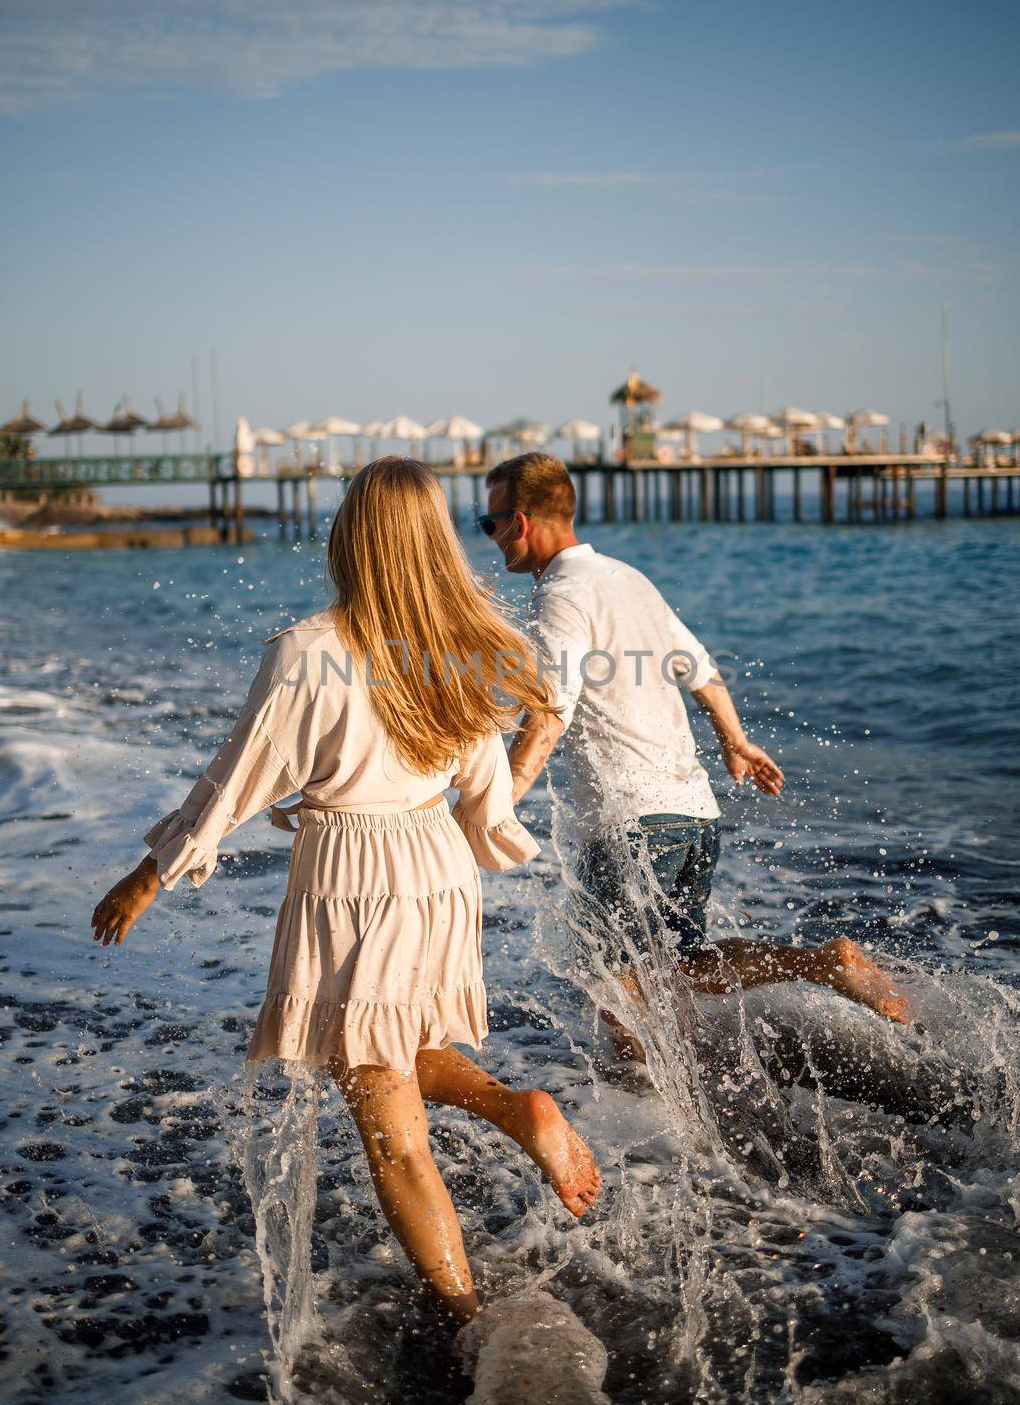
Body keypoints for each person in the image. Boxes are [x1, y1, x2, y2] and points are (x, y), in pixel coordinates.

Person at [90, 457, 600, 1325]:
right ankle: (513, 1107)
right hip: (436, 867)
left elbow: (237, 780)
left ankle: (464, 1321)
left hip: (354, 877)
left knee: (390, 1133)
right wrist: (479, 844)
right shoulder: (471, 642)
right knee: (379, 1048)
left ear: (350, 537)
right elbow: (487, 790)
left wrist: (153, 873)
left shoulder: (309, 649)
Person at [478, 452, 909, 1045]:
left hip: (630, 821)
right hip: (691, 810)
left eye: (491, 523)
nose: (493, 538)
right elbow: (700, 669)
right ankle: (821, 965)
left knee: (619, 984)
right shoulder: (628, 579)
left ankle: (642, 1119)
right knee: (679, 969)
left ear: (521, 521)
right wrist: (737, 742)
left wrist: (494, 806)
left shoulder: (559, 596)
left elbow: (551, 708)